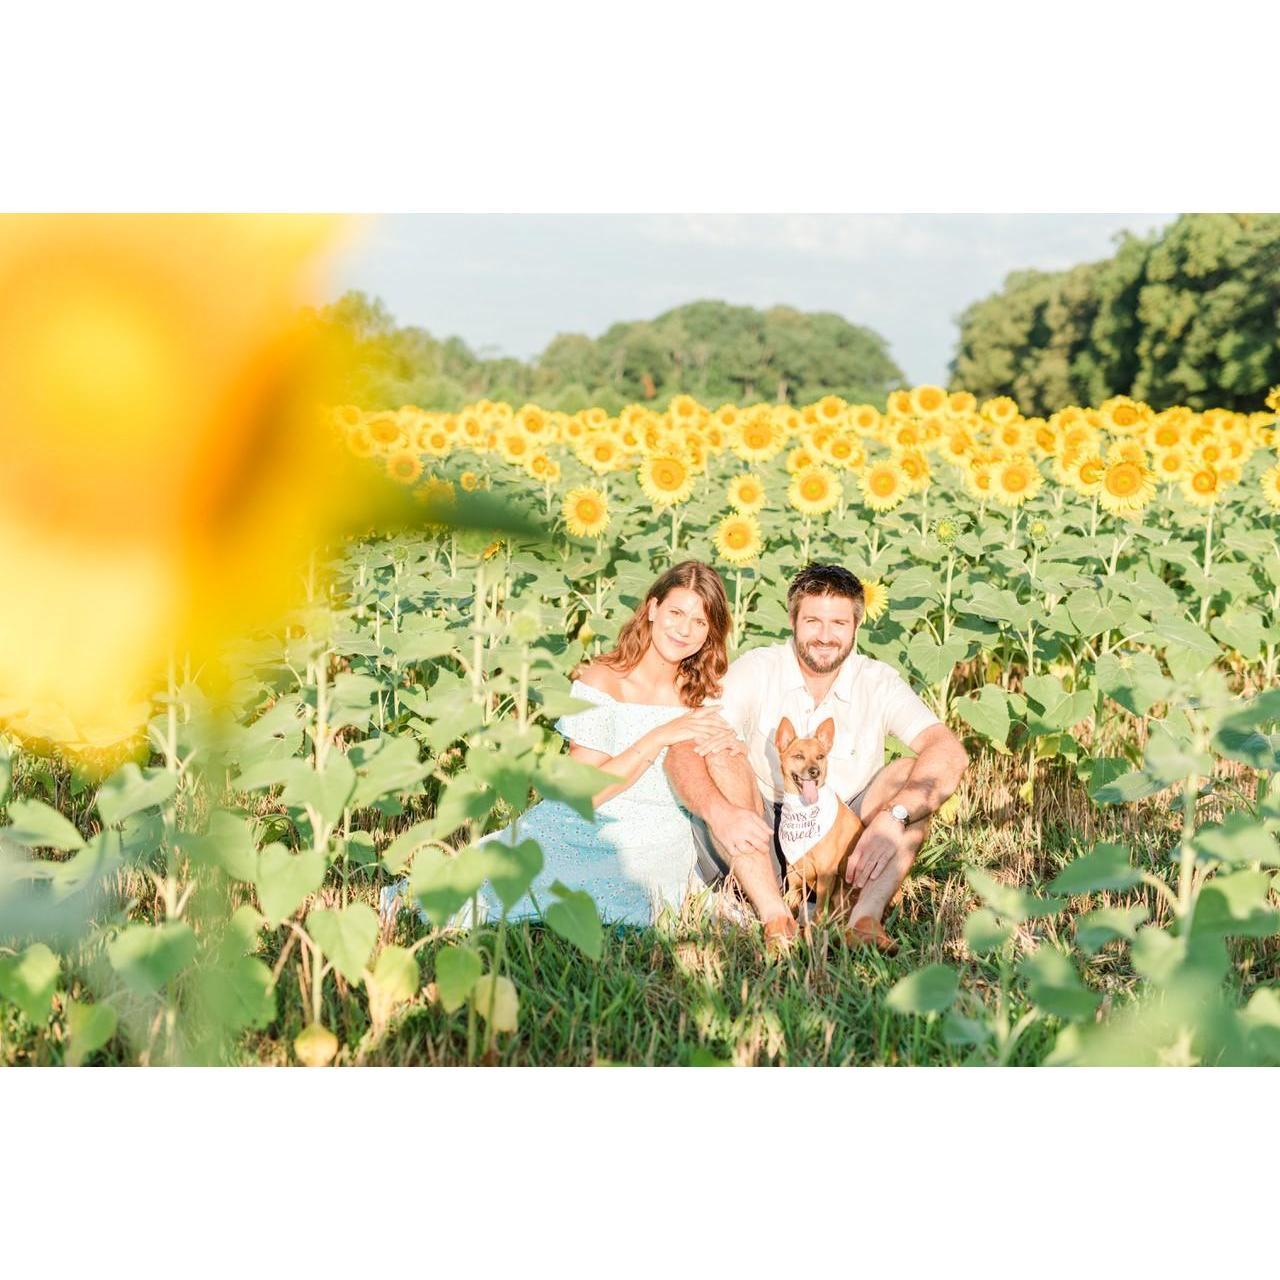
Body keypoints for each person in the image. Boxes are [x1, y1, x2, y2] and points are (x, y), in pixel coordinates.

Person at [380, 560, 743, 928]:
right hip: (587, 828)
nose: (684, 630)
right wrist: (658, 736)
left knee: (647, 906)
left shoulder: (704, 692)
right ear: (652, 609)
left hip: (661, 840)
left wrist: (729, 746)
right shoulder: (604, 680)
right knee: (485, 892)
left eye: (700, 622)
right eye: (676, 612)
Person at [664, 562, 970, 949]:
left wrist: (895, 816)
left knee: (911, 773)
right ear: (793, 620)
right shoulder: (758, 670)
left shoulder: (877, 681)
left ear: (856, 627)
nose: (825, 637)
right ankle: (775, 915)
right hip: (762, 832)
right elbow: (683, 749)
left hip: (846, 840)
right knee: (722, 751)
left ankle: (862, 919)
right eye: (813, 621)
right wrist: (719, 812)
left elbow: (949, 752)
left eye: (839, 624)